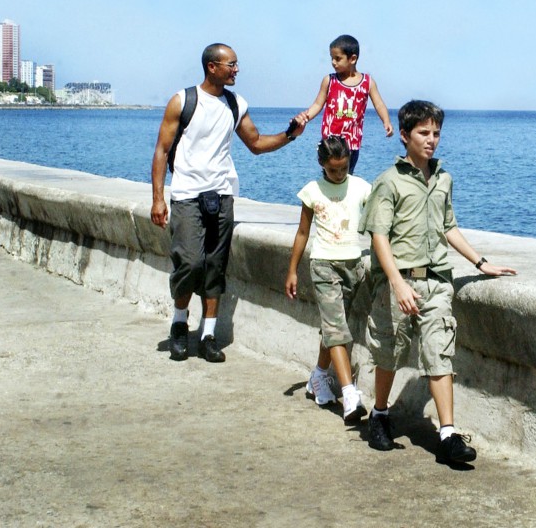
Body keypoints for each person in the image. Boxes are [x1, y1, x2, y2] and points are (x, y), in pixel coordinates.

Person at [360, 100, 517, 465]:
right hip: (398, 284)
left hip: (436, 284)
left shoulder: (444, 178)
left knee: (439, 355)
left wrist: (481, 262)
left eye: (436, 133)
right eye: (423, 133)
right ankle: (380, 414)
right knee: (389, 352)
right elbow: (379, 237)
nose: (431, 140)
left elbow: (449, 227)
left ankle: (447, 435)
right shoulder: (388, 182)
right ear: (404, 136)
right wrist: (397, 284)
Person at [151, 43, 309, 363]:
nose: (236, 70)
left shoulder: (236, 103)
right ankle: (180, 326)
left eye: (236, 65)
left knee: (214, 269)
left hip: (222, 195)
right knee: (190, 264)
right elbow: (161, 151)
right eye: (231, 65)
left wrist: (290, 134)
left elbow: (256, 143)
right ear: (212, 67)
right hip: (186, 196)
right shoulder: (183, 101)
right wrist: (157, 198)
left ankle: (208, 335)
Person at [285, 136, 371, 422]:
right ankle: (349, 395)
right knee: (336, 329)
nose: (339, 174)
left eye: (344, 168)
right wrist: (292, 270)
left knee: (333, 327)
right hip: (323, 265)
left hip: (353, 266)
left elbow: (377, 223)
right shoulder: (312, 191)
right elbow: (302, 233)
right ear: (322, 164)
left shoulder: (361, 187)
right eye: (333, 170)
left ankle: (318, 377)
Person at [299, 34, 394, 173]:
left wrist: (386, 121)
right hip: (330, 141)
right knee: (329, 175)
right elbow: (318, 104)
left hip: (352, 143)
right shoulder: (329, 81)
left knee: (347, 175)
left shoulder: (367, 82)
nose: (333, 62)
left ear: (353, 59)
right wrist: (305, 118)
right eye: (332, 58)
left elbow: (379, 104)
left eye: (338, 58)